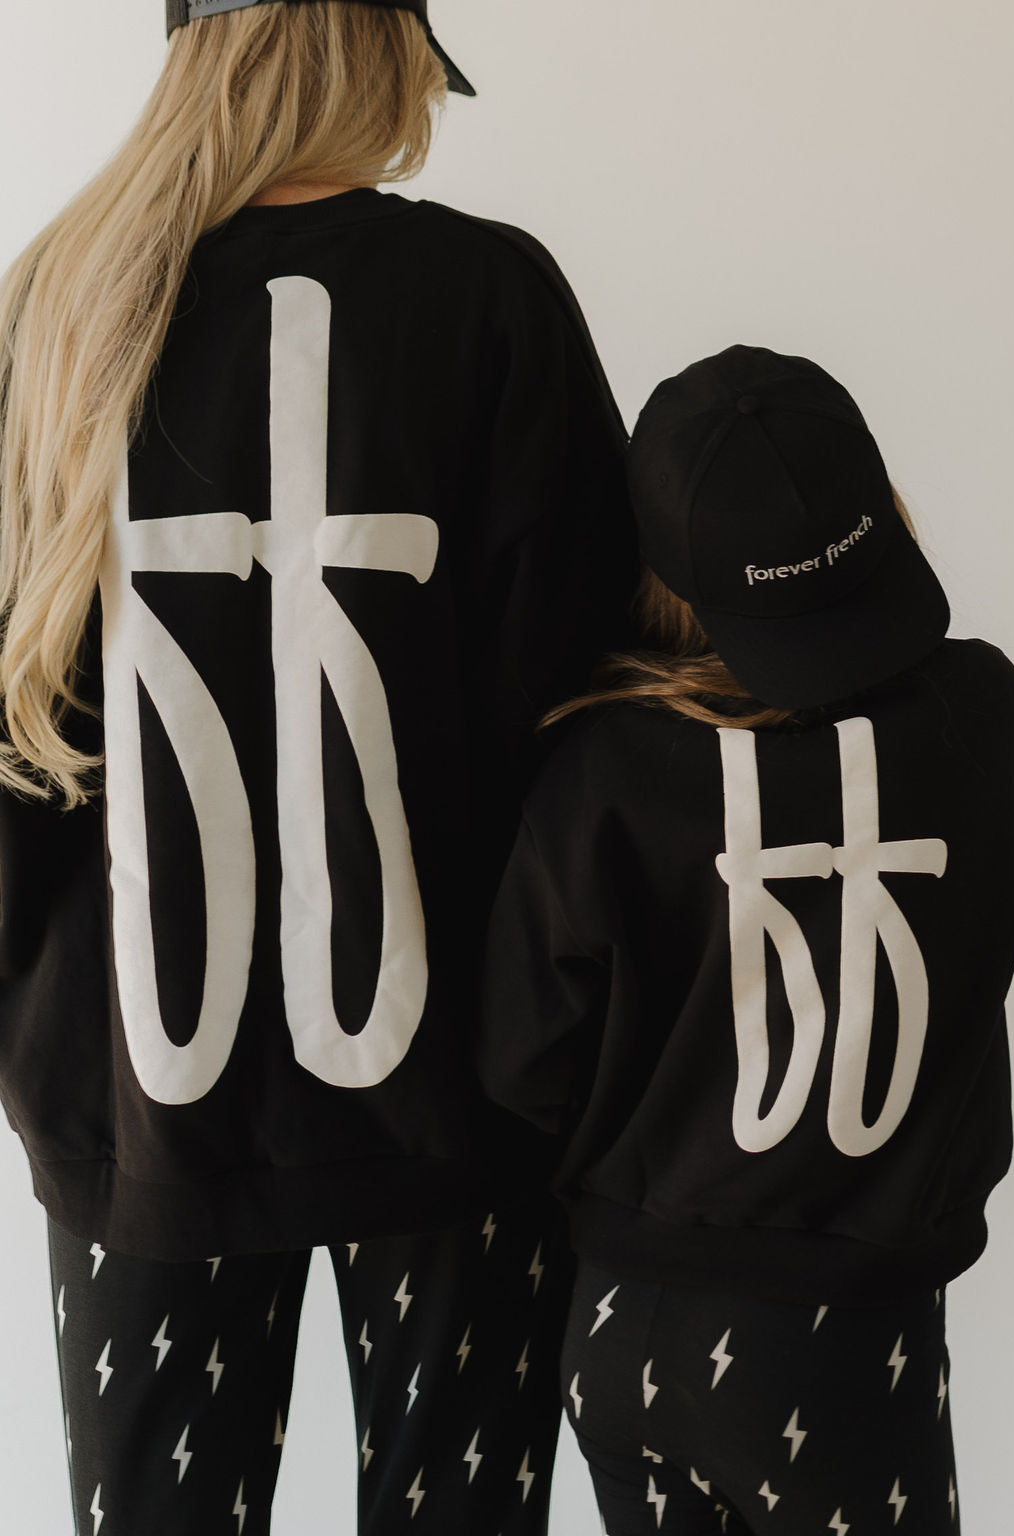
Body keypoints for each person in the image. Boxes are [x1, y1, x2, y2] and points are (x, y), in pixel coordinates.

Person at [0, 4, 637, 1533]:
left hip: (137, 1102)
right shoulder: (489, 299)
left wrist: (47, 1052)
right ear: (374, 43)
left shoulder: (53, 308)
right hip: (463, 1104)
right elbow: (586, 727)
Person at [480, 344, 1014, 1536]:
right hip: (843, 1351)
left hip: (621, 1328)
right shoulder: (983, 719)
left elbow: (522, 1064)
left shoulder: (600, 767)